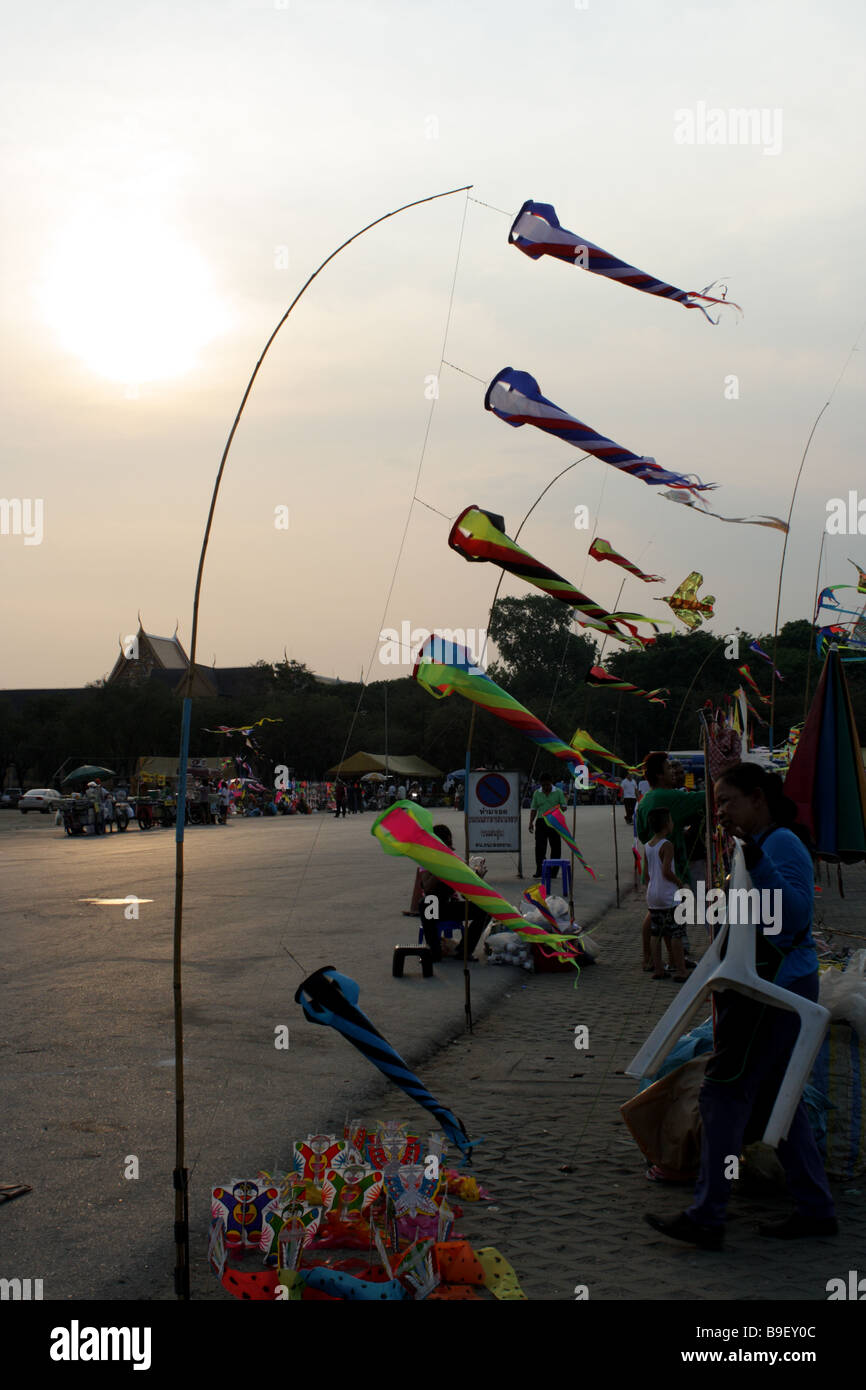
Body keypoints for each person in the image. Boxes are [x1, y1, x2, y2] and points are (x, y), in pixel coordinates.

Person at [646, 762, 837, 1250]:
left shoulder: (780, 845)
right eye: (718, 801)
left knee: (723, 1094)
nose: (721, 810)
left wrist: (757, 860)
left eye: (728, 800)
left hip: (771, 989)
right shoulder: (762, 845)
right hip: (765, 986)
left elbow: (793, 917)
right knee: (779, 1098)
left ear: (758, 798)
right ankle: (815, 1207)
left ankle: (708, 1215)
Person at [418, 824, 489, 963]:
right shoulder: (427, 859)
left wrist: (477, 879)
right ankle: (434, 949)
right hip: (433, 906)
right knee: (427, 902)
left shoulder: (456, 860)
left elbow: (466, 895)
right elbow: (427, 888)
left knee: (484, 910)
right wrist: (442, 866)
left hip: (448, 906)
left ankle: (464, 950)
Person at [645, 808, 688, 982]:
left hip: (652, 894)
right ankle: (681, 970)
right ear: (666, 825)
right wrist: (680, 884)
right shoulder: (667, 845)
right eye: (670, 820)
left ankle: (658, 969)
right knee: (677, 932)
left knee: (656, 932)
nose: (672, 823)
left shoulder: (648, 845)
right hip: (668, 894)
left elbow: (648, 872)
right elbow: (666, 871)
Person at [528, 772, 568, 879]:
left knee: (555, 847)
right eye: (543, 785)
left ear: (551, 783)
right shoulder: (537, 793)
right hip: (541, 822)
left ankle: (554, 872)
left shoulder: (558, 792)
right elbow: (534, 809)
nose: (545, 787)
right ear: (540, 784)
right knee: (540, 847)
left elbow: (564, 807)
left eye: (547, 785)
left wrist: (556, 809)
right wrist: (531, 822)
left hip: (554, 822)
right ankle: (540, 870)